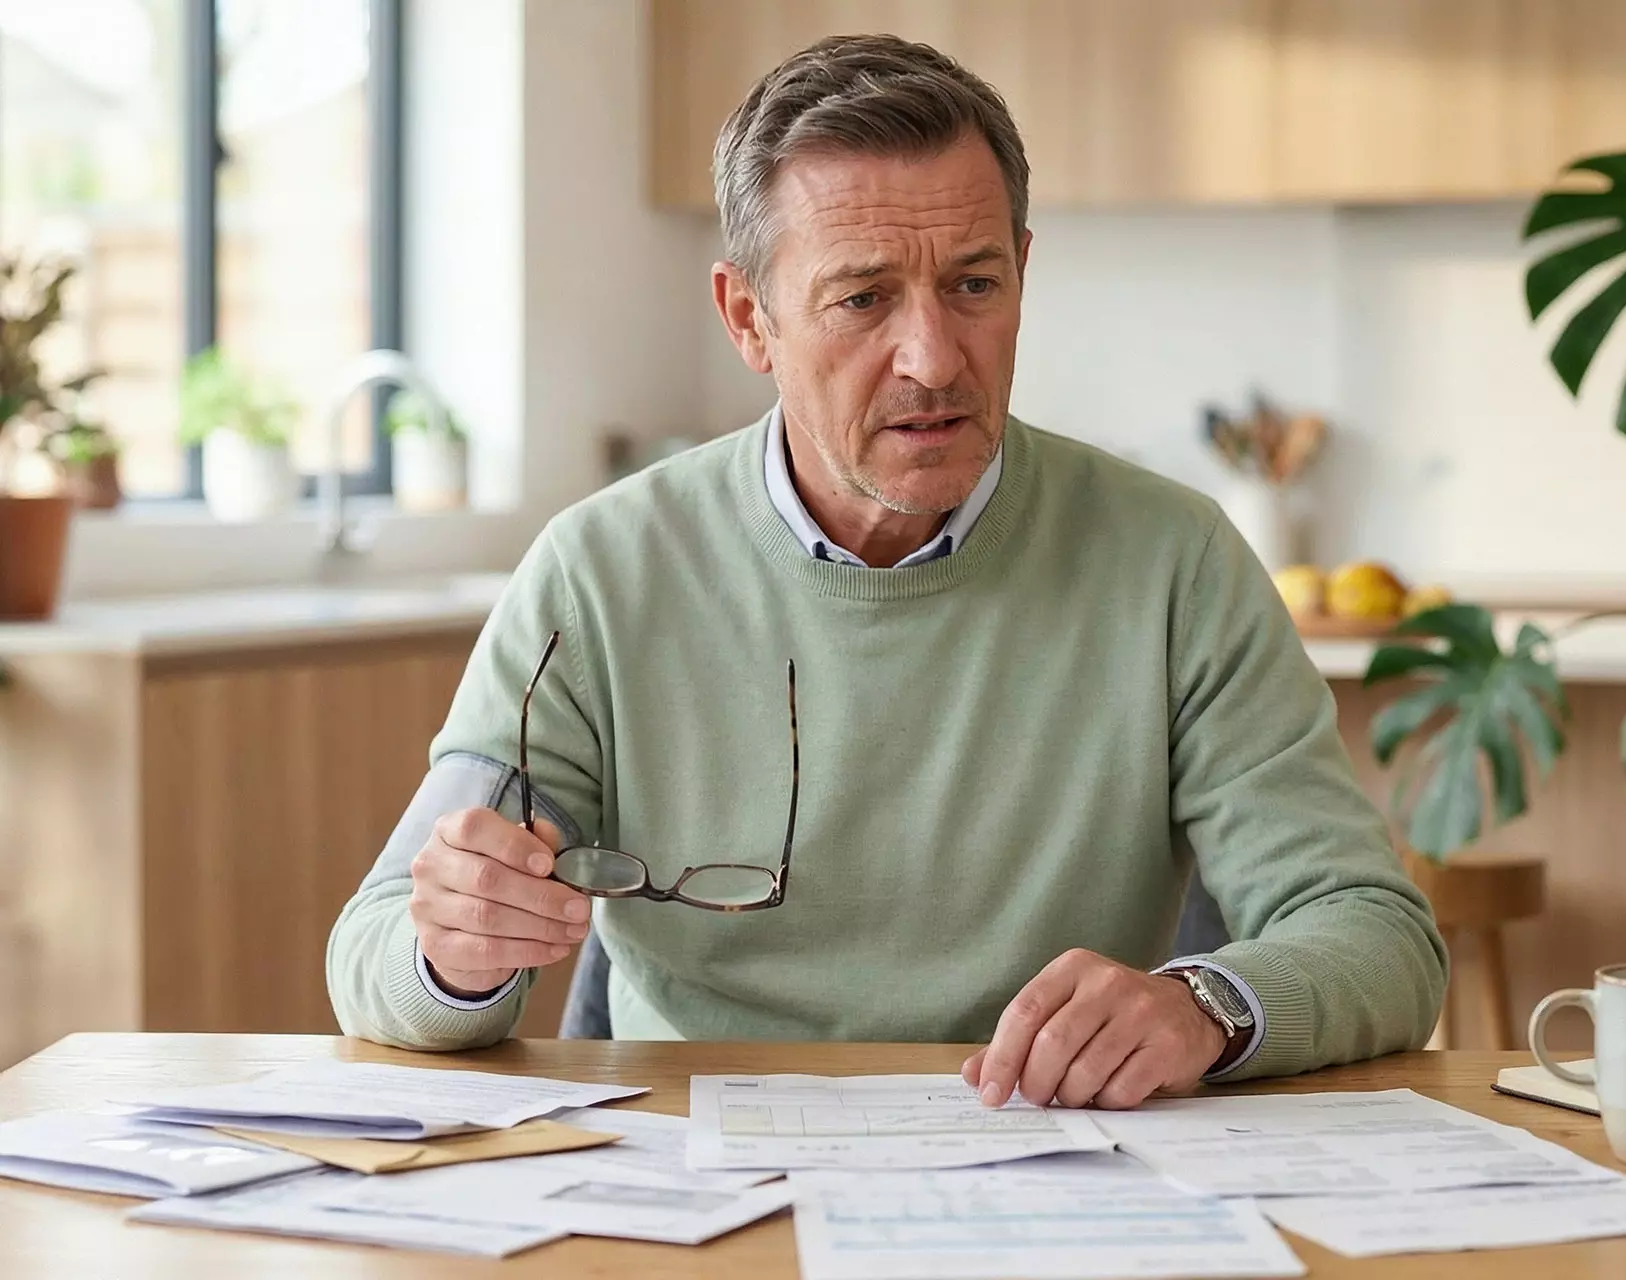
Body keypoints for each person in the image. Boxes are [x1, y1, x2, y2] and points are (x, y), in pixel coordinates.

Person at [327, 33, 1446, 1109]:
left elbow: (1375, 930)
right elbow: (374, 951)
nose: (933, 357)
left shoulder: (1176, 563)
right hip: (689, 1174)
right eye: (863, 298)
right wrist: (456, 949)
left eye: (974, 284)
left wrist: (1207, 1004)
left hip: (1055, 1164)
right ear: (747, 318)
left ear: (1023, 274)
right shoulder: (600, 572)